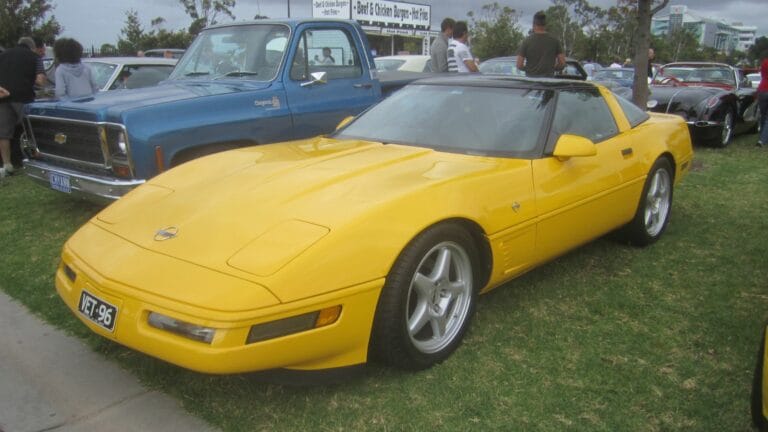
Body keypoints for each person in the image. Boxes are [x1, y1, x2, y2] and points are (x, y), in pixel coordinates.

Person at [0, 37, 38, 177]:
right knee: (30, 129)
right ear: (32, 47)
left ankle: (7, 164)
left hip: (3, 96)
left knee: (4, 133)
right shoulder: (33, 56)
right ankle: (34, 158)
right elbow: (40, 79)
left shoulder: (3, 55)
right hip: (23, 96)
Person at [516, 11, 565, 78]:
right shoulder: (555, 41)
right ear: (545, 25)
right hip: (548, 82)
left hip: (531, 82)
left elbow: (519, 65)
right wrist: (552, 68)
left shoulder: (526, 41)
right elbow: (562, 63)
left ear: (533, 25)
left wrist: (529, 70)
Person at [757, 50, 768, 147]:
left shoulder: (764, 62)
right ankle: (762, 140)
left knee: (763, 115)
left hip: (762, 89)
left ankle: (762, 135)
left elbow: (762, 75)